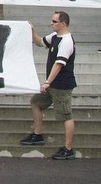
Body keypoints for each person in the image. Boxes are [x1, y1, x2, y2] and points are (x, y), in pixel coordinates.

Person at [21, 11, 77, 160]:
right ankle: (37, 135)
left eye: (54, 21)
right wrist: (32, 30)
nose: (51, 23)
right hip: (52, 84)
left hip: (62, 85)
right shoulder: (54, 37)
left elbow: (59, 64)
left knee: (66, 115)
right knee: (35, 102)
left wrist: (47, 82)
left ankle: (68, 149)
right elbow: (40, 42)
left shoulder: (66, 41)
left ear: (63, 24)